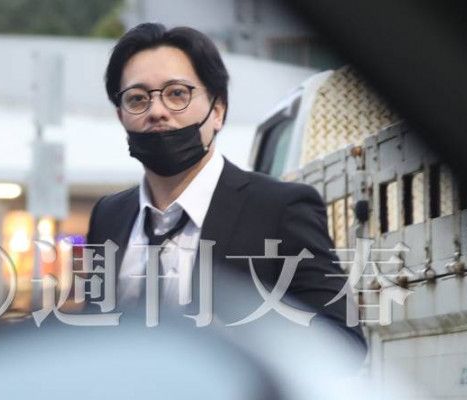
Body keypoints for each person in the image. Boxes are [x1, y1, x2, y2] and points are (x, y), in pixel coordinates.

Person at [86, 23, 366, 353]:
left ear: (217, 111)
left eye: (177, 94)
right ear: (121, 117)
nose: (157, 111)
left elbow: (341, 340)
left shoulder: (278, 209)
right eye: (137, 99)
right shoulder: (109, 216)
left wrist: (238, 347)